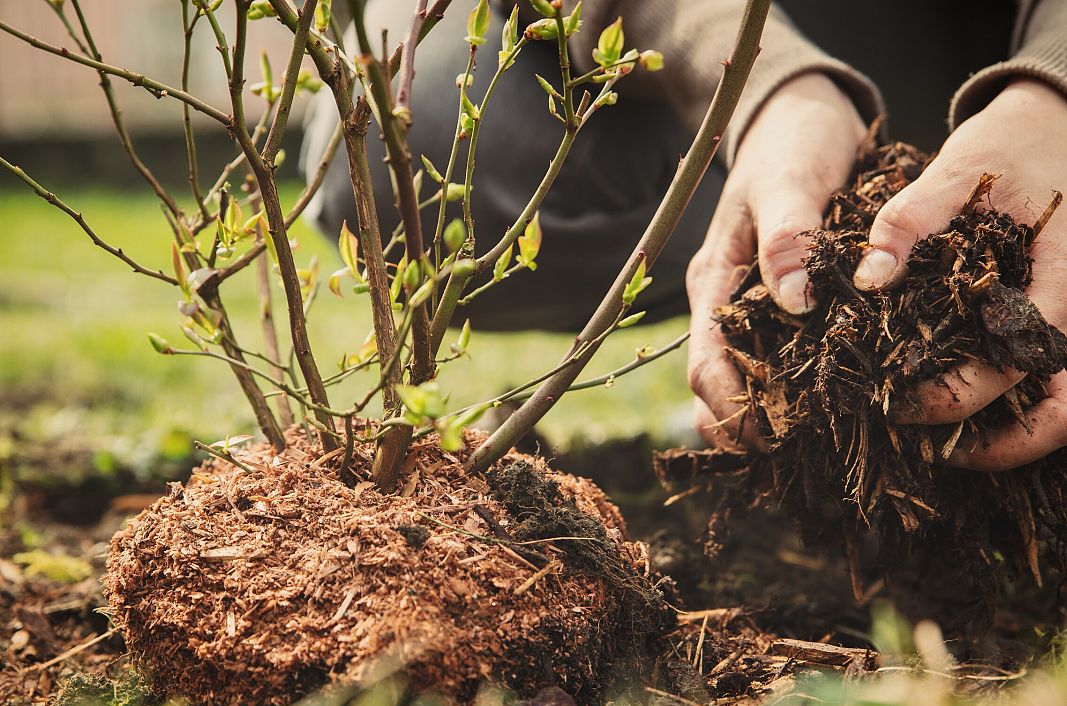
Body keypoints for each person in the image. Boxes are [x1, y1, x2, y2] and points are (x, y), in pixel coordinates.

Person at [302, 0, 1067, 469]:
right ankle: (789, 198)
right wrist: (763, 85)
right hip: (805, 25)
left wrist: (1052, 91)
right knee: (386, 147)